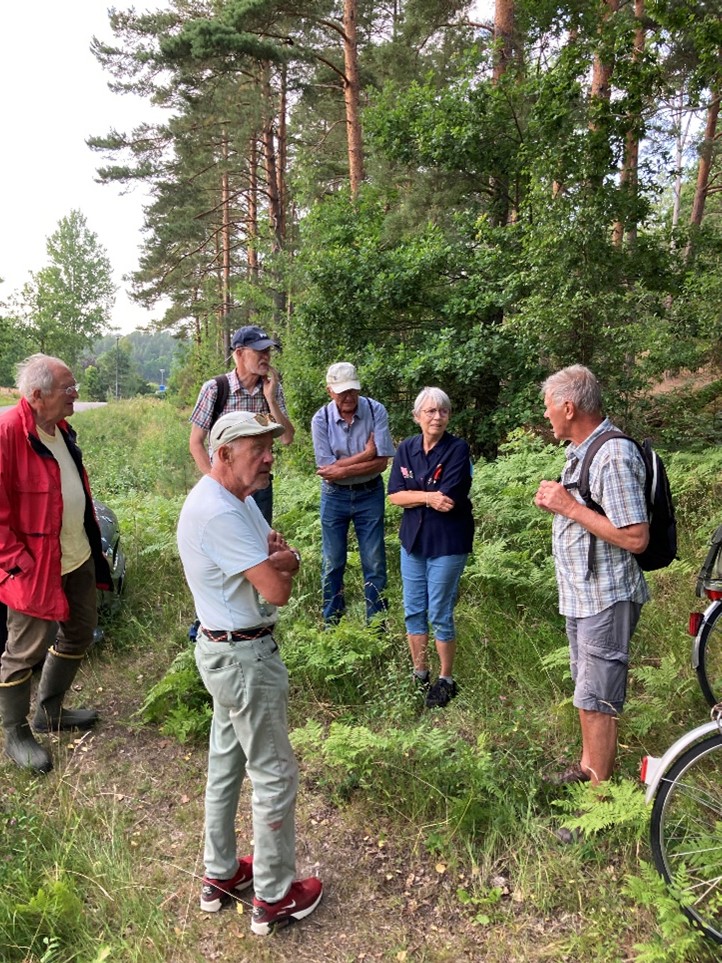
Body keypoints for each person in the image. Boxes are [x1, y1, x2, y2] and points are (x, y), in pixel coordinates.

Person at [177, 409, 323, 935]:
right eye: (256, 450)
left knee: (226, 763)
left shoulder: (238, 502)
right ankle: (275, 895)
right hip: (243, 658)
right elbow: (279, 587)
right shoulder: (218, 511)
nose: (268, 458)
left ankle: (219, 875)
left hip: (226, 652)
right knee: (273, 773)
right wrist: (279, 564)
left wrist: (282, 558)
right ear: (221, 455)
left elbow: (288, 557)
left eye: (269, 447)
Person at [534, 365, 650, 785]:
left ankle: (599, 803)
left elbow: (636, 537)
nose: (546, 415)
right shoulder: (583, 450)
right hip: (584, 596)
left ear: (568, 406)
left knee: (597, 700)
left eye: (549, 408)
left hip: (606, 596)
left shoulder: (613, 455)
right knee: (587, 694)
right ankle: (588, 771)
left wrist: (568, 507)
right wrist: (563, 505)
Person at [0, 354, 112, 773]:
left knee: (80, 631)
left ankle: (50, 712)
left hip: (76, 554)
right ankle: (16, 733)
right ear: (37, 395)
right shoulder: (8, 433)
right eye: (68, 389)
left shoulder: (60, 428)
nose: (76, 395)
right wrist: (17, 565)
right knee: (22, 651)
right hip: (33, 566)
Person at [387, 388, 474, 708]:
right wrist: (425, 496)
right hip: (413, 542)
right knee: (413, 610)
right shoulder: (406, 449)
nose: (437, 417)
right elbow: (394, 495)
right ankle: (420, 673)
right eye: (430, 411)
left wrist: (417, 495)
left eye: (443, 412)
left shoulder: (457, 450)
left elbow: (448, 498)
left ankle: (446, 679)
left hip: (448, 542)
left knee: (439, 611)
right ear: (416, 417)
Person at [311, 362, 395, 626]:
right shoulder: (320, 419)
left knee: (374, 562)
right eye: (341, 392)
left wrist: (344, 466)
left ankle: (378, 626)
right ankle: (332, 624)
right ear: (329, 391)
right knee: (332, 562)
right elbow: (327, 471)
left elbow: (382, 463)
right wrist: (366, 454)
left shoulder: (375, 410)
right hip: (333, 495)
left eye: (352, 391)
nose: (348, 397)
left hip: (370, 493)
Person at [189, 325, 295, 525]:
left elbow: (287, 438)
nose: (266, 357)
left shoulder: (272, 389)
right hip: (226, 486)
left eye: (268, 351)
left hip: (260, 485)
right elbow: (195, 443)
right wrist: (215, 483)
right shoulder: (215, 388)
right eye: (260, 351)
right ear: (239, 353)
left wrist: (271, 399)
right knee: (227, 541)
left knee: (260, 544)